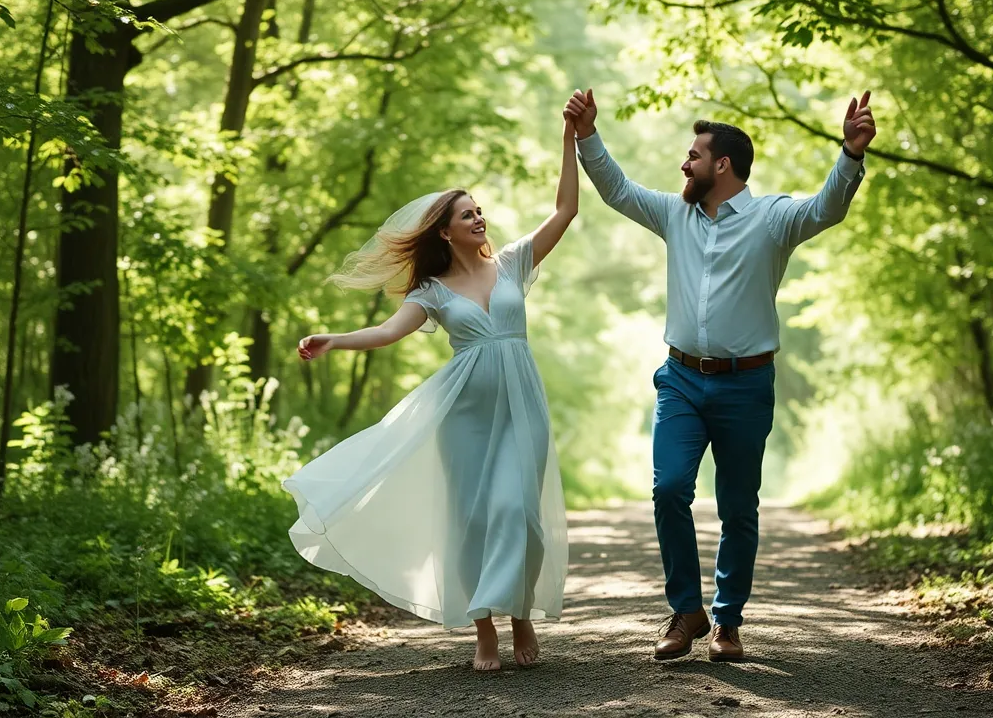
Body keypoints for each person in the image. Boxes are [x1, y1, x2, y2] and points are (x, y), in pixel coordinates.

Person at [564, 88, 876, 662]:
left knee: (738, 506)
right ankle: (686, 612)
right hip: (680, 379)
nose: (684, 164)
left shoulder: (772, 219)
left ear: (722, 165)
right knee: (668, 489)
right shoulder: (673, 214)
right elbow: (617, 190)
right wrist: (587, 135)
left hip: (746, 385)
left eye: (693, 155)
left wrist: (850, 155)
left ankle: (727, 622)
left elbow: (826, 207)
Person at [283, 110, 582, 672]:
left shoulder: (514, 264)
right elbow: (389, 332)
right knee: (472, 518)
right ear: (444, 231)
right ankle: (485, 631)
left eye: (480, 211)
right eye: (467, 214)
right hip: (465, 413)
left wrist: (569, 139)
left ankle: (521, 613)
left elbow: (566, 210)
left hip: (522, 406)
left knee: (520, 511)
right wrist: (334, 340)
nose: (479, 218)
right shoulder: (434, 291)